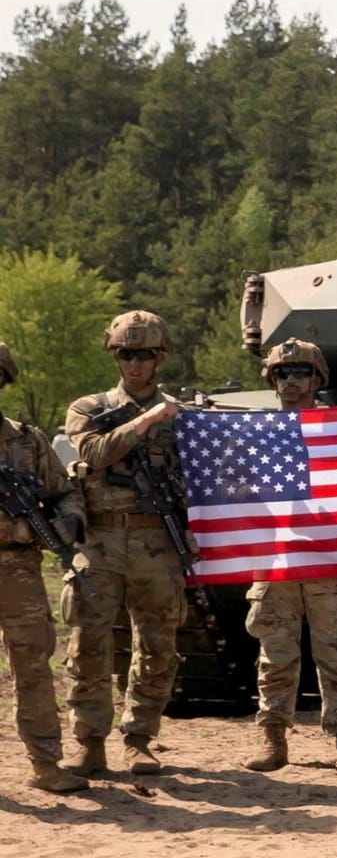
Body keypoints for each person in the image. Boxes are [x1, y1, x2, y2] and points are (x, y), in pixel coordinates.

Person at [62, 310, 187, 776]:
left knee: (157, 645)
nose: (135, 364)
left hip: (157, 541)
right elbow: (92, 452)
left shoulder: (180, 416)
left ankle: (139, 738)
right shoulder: (89, 408)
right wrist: (145, 421)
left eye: (144, 355)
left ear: (159, 358)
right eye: (126, 354)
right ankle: (90, 740)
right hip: (101, 540)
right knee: (89, 644)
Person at [243, 339, 337, 774]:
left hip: (327, 560)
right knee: (275, 654)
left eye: (302, 373)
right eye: (283, 373)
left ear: (318, 379)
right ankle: (273, 738)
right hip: (275, 560)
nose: (292, 381)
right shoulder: (252, 433)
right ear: (271, 379)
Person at [0, 342, 88, 792]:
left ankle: (46, 764)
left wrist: (68, 519)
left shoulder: (26, 440)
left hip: (19, 569)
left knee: (34, 664)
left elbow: (65, 491)